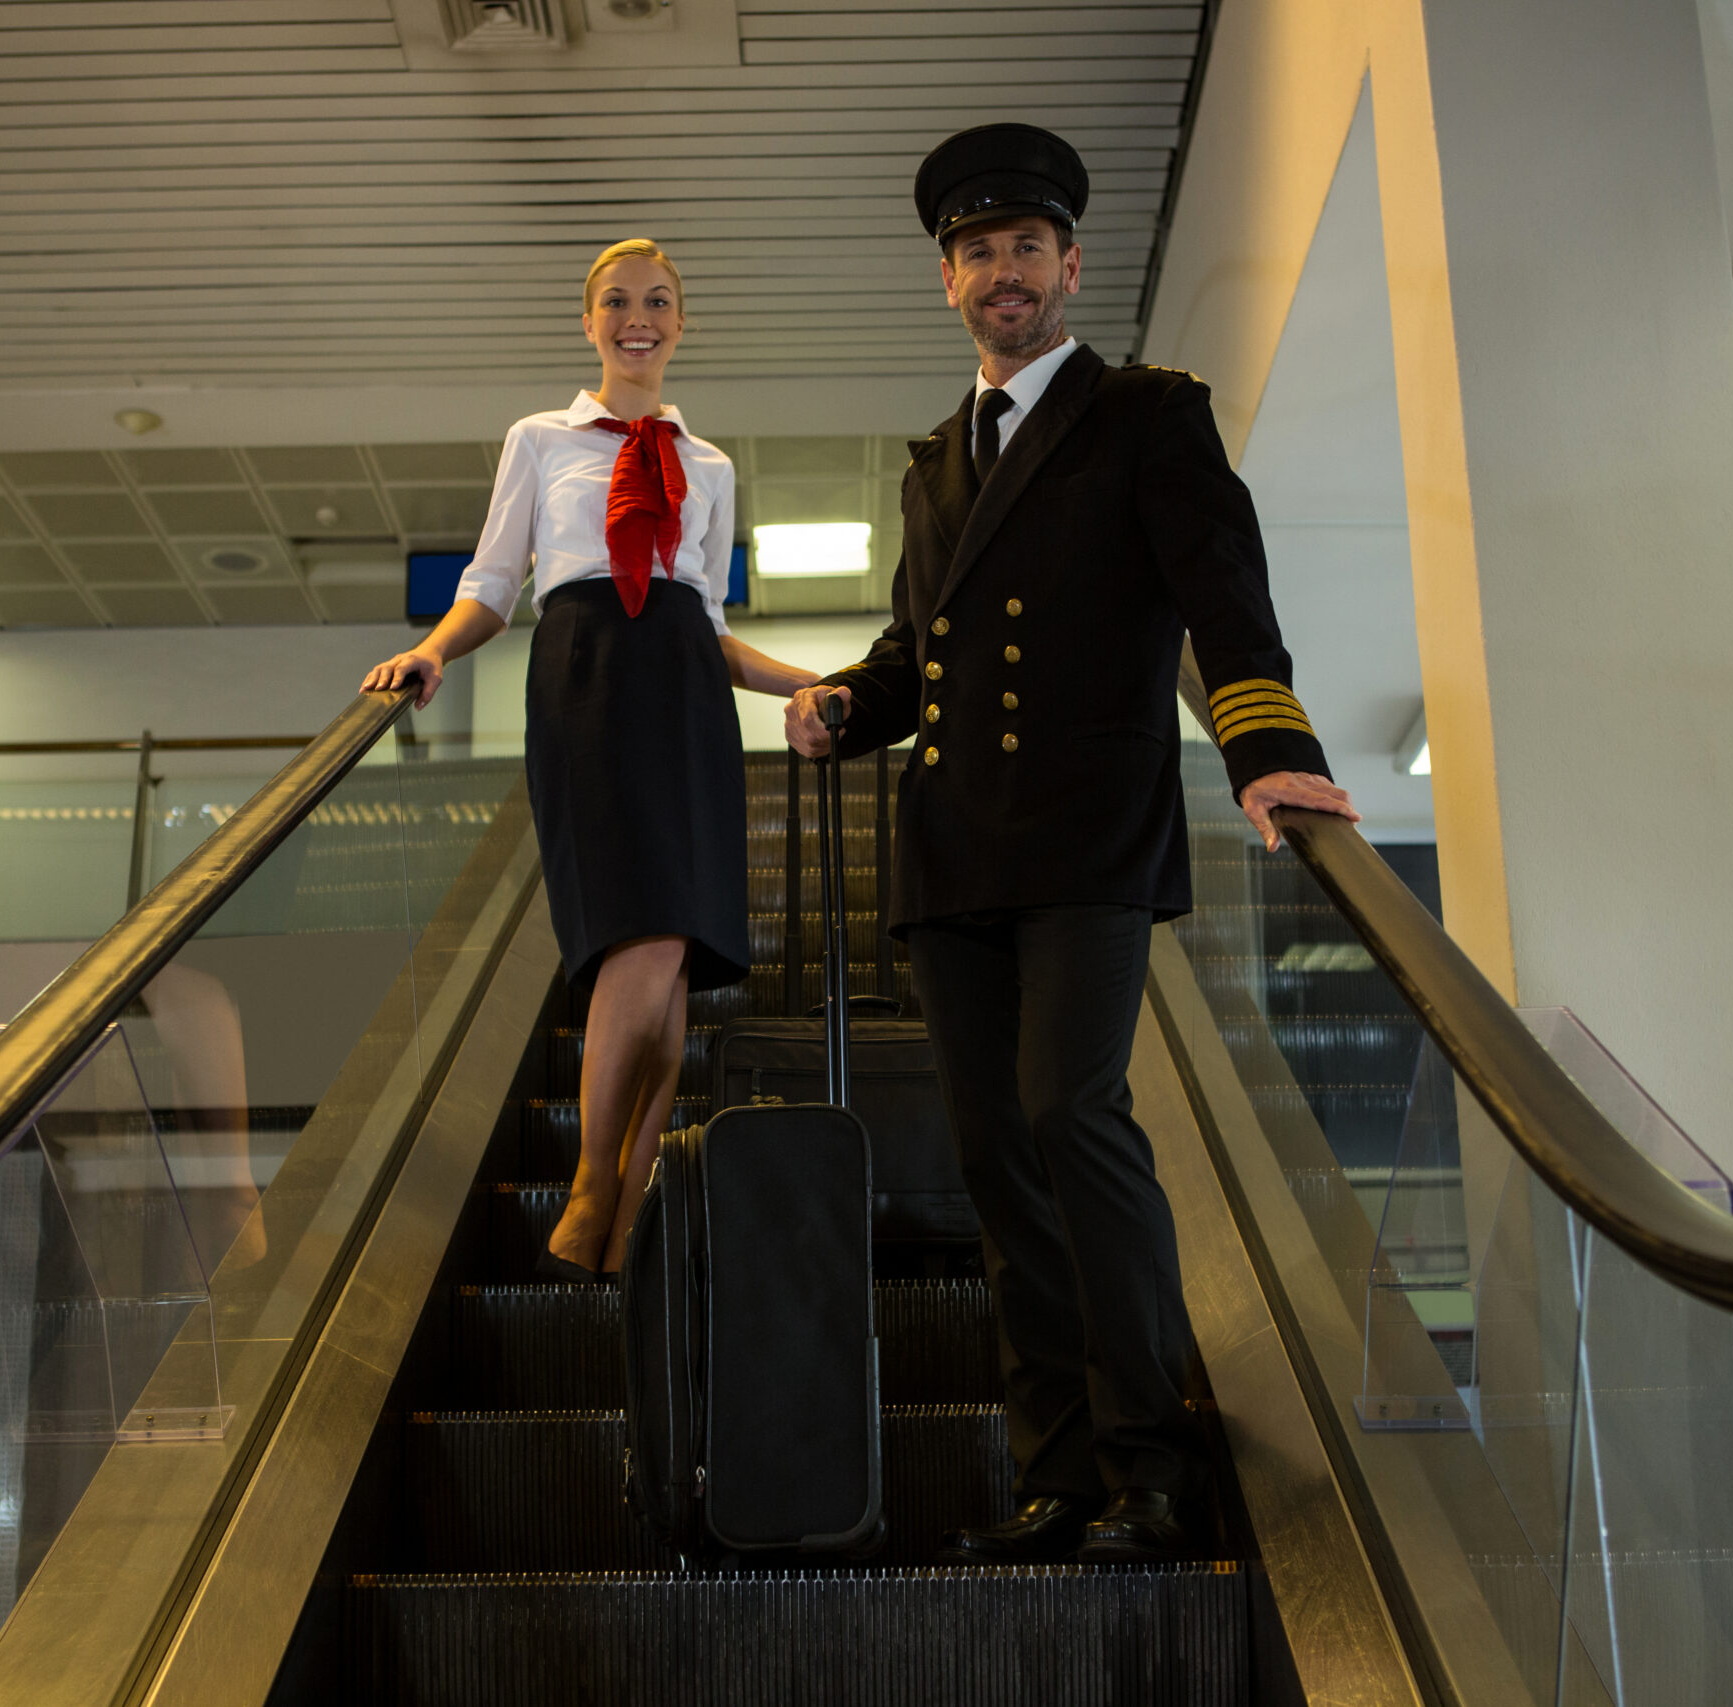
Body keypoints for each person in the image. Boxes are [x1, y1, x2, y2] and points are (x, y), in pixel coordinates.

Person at [785, 126, 1359, 1564]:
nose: (1003, 273)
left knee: (1071, 1111)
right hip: (957, 851)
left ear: (1070, 265)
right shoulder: (934, 460)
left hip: (1092, 837)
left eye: (1027, 248)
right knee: (993, 1152)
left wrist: (1271, 750)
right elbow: (925, 646)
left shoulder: (1147, 414)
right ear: (950, 282)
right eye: (978, 253)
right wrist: (851, 703)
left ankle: (1152, 1460)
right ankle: (1054, 1474)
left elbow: (1223, 593)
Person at [366, 238, 818, 1282]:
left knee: (671, 961)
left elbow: (707, 623)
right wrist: (431, 652)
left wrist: (806, 682)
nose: (638, 318)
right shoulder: (539, 439)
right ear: (588, 321)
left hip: (687, 693)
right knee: (634, 933)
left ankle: (630, 1182)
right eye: (616, 301)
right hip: (585, 677)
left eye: (658, 301)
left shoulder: (710, 466)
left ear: (681, 322)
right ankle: (590, 1181)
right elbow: (490, 583)